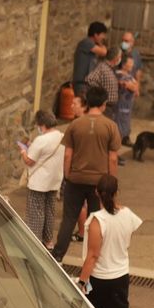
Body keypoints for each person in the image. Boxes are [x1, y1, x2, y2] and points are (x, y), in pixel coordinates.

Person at [51, 85, 120, 264]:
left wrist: (68, 175)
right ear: (104, 104)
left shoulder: (75, 124)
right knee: (96, 220)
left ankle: (58, 255)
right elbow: (112, 159)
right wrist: (112, 183)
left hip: (76, 178)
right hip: (100, 182)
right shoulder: (110, 126)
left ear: (87, 103)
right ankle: (93, 258)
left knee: (69, 218)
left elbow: (68, 154)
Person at [77, 175, 142, 308]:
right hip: (121, 276)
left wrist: (81, 282)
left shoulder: (97, 220)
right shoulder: (128, 214)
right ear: (117, 192)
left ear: (97, 193)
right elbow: (127, 241)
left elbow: (93, 255)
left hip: (100, 280)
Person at [20, 111, 65, 247]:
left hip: (39, 182)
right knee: (49, 211)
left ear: (42, 124)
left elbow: (29, 161)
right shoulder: (62, 137)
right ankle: (48, 241)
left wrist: (23, 151)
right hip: (55, 180)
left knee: (36, 213)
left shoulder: (41, 140)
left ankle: (35, 243)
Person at [72, 21, 109, 97]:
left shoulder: (92, 45)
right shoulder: (86, 42)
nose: (104, 37)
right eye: (103, 34)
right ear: (95, 34)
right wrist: (102, 44)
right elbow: (103, 52)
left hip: (87, 84)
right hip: (81, 84)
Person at [85, 45, 121, 115]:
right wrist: (101, 93)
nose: (120, 59)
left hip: (111, 108)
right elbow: (90, 79)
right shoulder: (102, 67)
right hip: (105, 107)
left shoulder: (111, 69)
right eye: (120, 56)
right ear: (116, 58)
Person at [114, 53, 140, 143]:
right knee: (119, 128)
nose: (132, 65)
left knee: (125, 126)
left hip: (127, 107)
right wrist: (133, 86)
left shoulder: (128, 75)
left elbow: (136, 88)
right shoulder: (119, 75)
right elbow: (132, 87)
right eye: (130, 63)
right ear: (124, 64)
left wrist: (134, 86)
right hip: (121, 107)